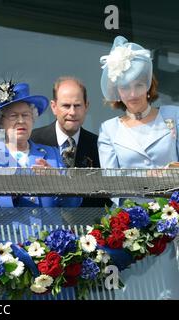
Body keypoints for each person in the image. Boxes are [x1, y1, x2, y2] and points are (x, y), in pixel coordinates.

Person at [98, 35, 179, 299]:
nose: (132, 94)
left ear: (149, 85)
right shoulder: (109, 129)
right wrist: (147, 179)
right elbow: (111, 184)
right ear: (116, 90)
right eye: (125, 87)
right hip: (135, 230)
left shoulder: (174, 116)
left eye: (139, 85)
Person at [0, 81, 82, 229]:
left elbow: (73, 204)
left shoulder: (51, 153)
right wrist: (11, 193)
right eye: (13, 116)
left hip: (50, 245)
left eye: (26, 115)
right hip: (8, 246)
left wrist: (58, 182)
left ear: (33, 119)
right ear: (1, 122)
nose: (21, 120)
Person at [31, 77, 111, 208]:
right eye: (66, 106)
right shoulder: (34, 140)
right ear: (54, 107)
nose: (72, 112)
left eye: (77, 105)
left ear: (86, 106)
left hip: (86, 225)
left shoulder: (99, 145)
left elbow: (105, 196)